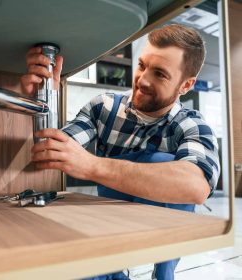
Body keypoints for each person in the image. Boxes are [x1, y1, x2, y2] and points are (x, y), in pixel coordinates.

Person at [21, 24, 220, 280]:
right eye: (142, 65)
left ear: (186, 85)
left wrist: (92, 166)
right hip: (109, 220)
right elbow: (55, 148)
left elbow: (195, 186)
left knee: (166, 163)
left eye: (160, 74)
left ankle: (164, 271)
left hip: (163, 229)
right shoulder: (103, 108)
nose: (143, 80)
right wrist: (45, 97)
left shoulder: (191, 124)